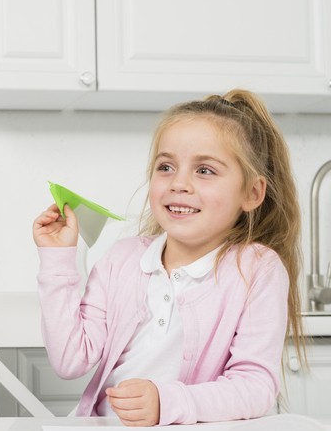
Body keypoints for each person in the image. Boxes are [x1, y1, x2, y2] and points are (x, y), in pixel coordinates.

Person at [32, 89, 304, 426]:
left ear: (251, 193)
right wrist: (57, 259)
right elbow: (71, 360)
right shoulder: (123, 259)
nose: (178, 183)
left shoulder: (256, 269)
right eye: (165, 166)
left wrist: (168, 402)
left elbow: (256, 386)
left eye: (204, 170)